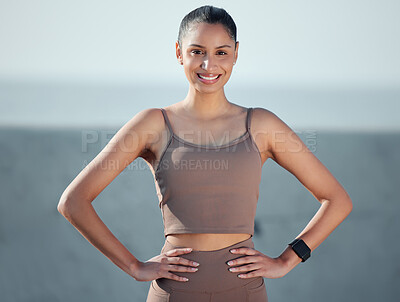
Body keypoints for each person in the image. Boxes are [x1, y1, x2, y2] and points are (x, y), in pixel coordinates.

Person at [57, 5, 353, 302]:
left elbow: (337, 200)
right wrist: (134, 266)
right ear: (178, 52)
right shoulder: (152, 124)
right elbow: (73, 202)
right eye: (197, 51)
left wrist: (288, 259)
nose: (209, 64)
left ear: (236, 54)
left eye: (221, 52)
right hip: (174, 292)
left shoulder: (262, 125)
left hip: (245, 292)